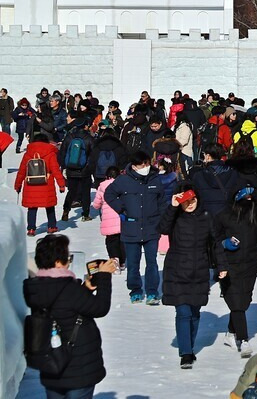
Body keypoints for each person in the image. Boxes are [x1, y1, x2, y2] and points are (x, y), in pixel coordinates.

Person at [24, 234, 117, 399]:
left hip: (50, 364)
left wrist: (85, 290)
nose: (69, 261)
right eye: (67, 257)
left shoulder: (35, 288)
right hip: (78, 366)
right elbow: (100, 308)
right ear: (58, 262)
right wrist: (104, 276)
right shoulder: (68, 288)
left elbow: (62, 307)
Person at [160, 187, 220, 369]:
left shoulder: (206, 216)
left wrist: (222, 266)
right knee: (183, 312)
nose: (189, 204)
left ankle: (189, 346)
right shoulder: (174, 216)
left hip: (199, 270)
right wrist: (171, 206)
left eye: (192, 200)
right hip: (177, 270)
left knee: (194, 312)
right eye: (185, 201)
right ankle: (186, 352)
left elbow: (215, 243)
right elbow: (162, 228)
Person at [214, 186, 257, 357]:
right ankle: (243, 340)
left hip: (250, 264)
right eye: (246, 198)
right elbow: (213, 239)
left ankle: (231, 333)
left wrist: (253, 186)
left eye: (251, 197)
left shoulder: (255, 213)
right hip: (230, 265)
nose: (250, 200)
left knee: (244, 301)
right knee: (236, 303)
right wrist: (224, 244)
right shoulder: (224, 215)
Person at [104, 151, 164, 304]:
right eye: (141, 164)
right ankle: (135, 290)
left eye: (146, 163)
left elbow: (162, 200)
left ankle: (152, 291)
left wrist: (161, 218)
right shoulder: (123, 180)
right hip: (131, 226)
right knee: (132, 262)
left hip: (151, 227)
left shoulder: (155, 179)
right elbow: (109, 194)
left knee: (152, 262)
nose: (144, 167)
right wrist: (121, 209)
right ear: (133, 165)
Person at [15, 132, 66, 235]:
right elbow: (56, 170)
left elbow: (21, 171)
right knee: (50, 206)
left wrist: (18, 185)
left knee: (32, 208)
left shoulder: (27, 154)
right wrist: (61, 184)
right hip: (46, 184)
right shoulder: (50, 153)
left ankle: (31, 228)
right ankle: (52, 226)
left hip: (30, 185)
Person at [59, 115, 95, 223]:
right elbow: (93, 155)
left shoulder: (69, 137)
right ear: (85, 126)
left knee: (71, 191)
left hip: (71, 169)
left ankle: (66, 211)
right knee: (85, 192)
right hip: (85, 170)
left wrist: (64, 166)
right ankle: (85, 214)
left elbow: (63, 152)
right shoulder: (89, 138)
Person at [91, 166, 126, 269]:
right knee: (122, 241)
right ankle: (122, 261)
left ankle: (114, 260)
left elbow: (96, 204)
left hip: (108, 219)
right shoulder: (123, 185)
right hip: (121, 217)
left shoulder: (102, 186)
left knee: (111, 241)